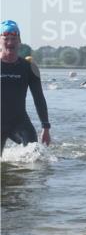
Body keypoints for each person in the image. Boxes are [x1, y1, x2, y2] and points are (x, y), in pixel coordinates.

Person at [1, 20, 51, 153]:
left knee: (37, 157)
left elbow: (39, 98)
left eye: (14, 39)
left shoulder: (29, 67)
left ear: (19, 41)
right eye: (6, 39)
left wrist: (45, 127)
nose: (10, 43)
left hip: (20, 122)